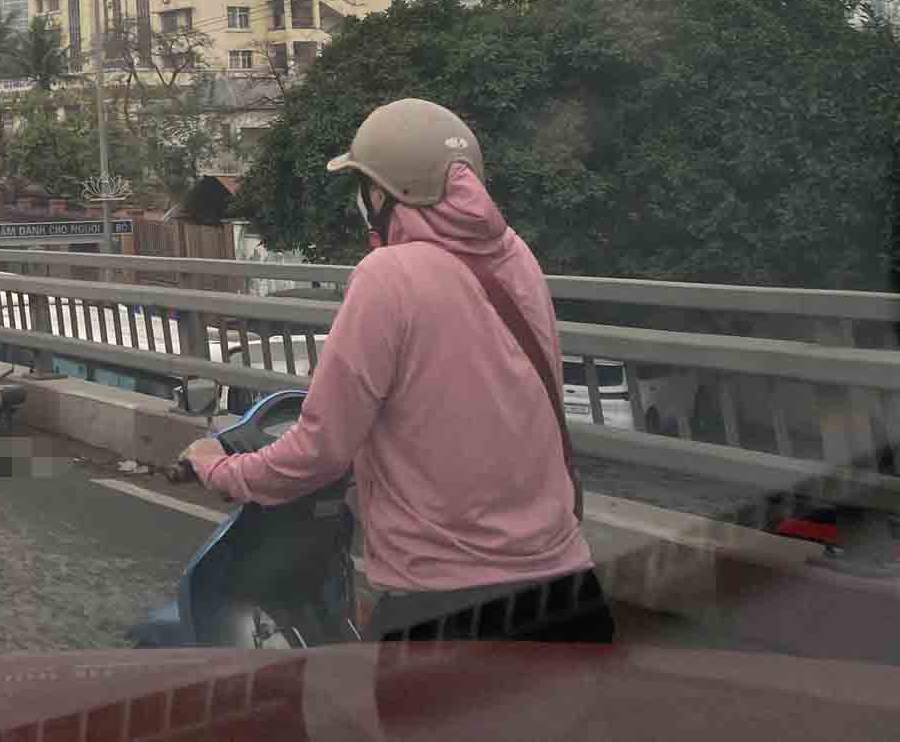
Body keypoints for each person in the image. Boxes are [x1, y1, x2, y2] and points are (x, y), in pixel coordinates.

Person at [180, 98, 612, 645]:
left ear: (382, 195)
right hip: (572, 595)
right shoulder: (517, 256)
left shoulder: (388, 275)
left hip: (449, 612)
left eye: (363, 187)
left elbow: (320, 450)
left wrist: (219, 469)